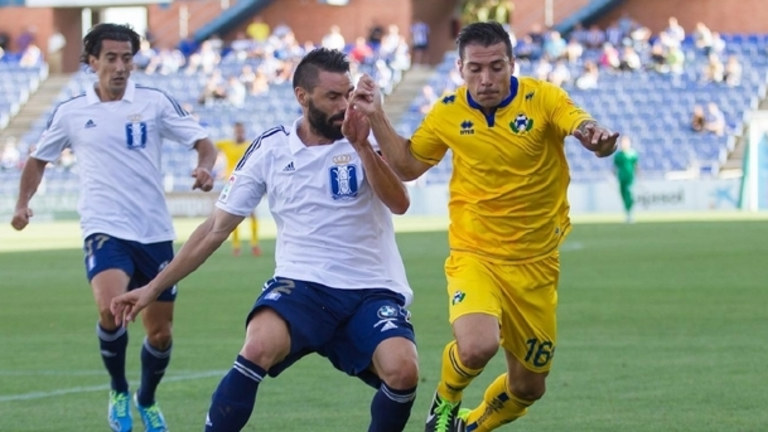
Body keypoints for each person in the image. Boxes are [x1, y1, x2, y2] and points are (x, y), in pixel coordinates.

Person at [109, 48, 420, 432]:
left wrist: (361, 147)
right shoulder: (271, 148)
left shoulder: (366, 137)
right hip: (302, 286)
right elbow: (215, 228)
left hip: (371, 288)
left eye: (348, 94)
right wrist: (153, 288)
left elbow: (400, 203)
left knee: (404, 371)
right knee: (257, 346)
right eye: (332, 97)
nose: (344, 105)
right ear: (302, 96)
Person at [350, 21, 619, 432]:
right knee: (477, 346)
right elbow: (406, 166)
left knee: (528, 387)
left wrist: (593, 137)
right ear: (460, 68)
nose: (486, 79)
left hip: (536, 265)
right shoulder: (448, 112)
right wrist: (377, 117)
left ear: (512, 64)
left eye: (496, 67)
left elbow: (578, 123)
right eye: (475, 69)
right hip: (475, 254)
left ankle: (471, 426)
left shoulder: (543, 98)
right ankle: (446, 402)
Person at [10, 23, 216, 432]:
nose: (121, 66)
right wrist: (22, 203)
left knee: (160, 334)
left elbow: (203, 142)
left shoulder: (154, 102)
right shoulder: (72, 112)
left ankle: (146, 398)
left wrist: (205, 167)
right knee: (110, 308)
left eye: (127, 58)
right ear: (92, 61)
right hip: (103, 226)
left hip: (154, 232)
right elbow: (37, 160)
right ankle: (119, 390)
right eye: (111, 58)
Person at [215, 121, 262, 256]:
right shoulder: (226, 144)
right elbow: (209, 146)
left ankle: (254, 244)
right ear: (234, 132)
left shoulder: (250, 145)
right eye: (237, 131)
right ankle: (236, 246)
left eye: (241, 131)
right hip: (230, 184)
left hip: (247, 184)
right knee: (232, 216)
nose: (239, 133)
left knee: (252, 215)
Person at [613, 136, 639, 223]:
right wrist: (611, 177)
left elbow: (636, 166)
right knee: (623, 195)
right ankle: (627, 212)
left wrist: (640, 176)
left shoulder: (633, 154)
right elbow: (615, 168)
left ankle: (630, 213)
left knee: (629, 194)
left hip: (630, 178)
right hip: (621, 178)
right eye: (623, 142)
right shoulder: (618, 155)